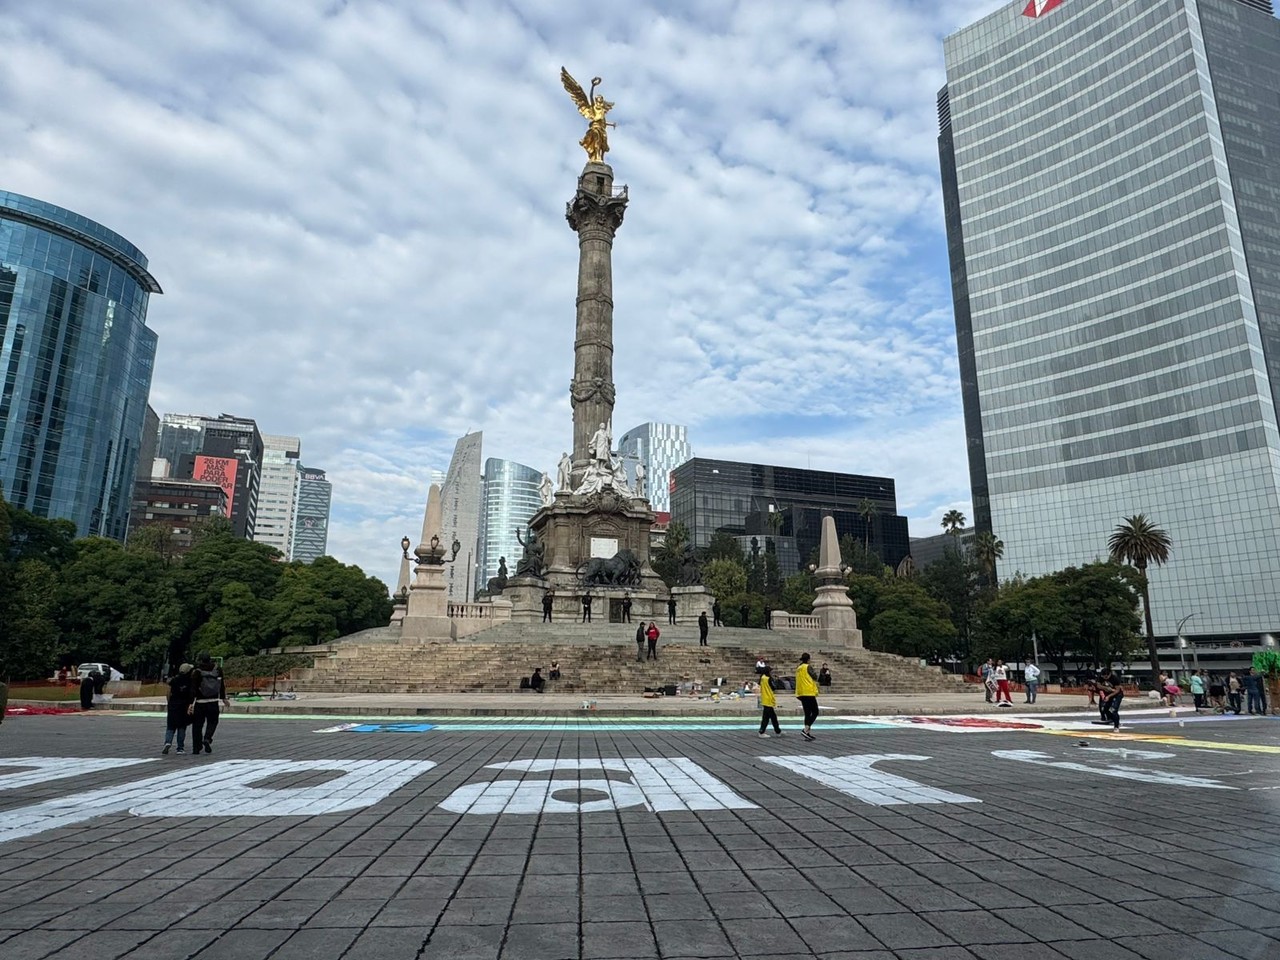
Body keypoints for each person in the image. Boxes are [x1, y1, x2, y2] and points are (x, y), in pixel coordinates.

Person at [189, 653, 229, 755]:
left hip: (200, 702)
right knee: (213, 722)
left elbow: (193, 688)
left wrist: (190, 703)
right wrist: (223, 698)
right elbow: (222, 684)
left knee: (197, 725)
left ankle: (196, 748)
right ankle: (207, 738)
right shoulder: (217, 670)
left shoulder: (197, 671)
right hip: (213, 701)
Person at [163, 664, 195, 754]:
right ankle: (180, 748)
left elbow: (168, 692)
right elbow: (191, 694)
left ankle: (168, 742)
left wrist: (169, 702)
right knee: (182, 727)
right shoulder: (190, 681)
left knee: (170, 725)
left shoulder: (174, 680)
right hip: (184, 706)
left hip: (173, 705)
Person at [795, 653, 820, 741]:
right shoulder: (807, 667)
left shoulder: (798, 668)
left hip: (801, 692)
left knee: (807, 713)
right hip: (809, 692)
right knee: (815, 711)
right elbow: (815, 677)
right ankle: (806, 730)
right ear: (808, 659)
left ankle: (807, 733)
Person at [758, 666, 782, 738]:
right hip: (769, 698)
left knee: (773, 717)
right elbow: (774, 687)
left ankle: (778, 731)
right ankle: (761, 732)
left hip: (764, 698)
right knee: (766, 717)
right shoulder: (769, 678)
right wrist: (777, 680)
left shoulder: (762, 678)